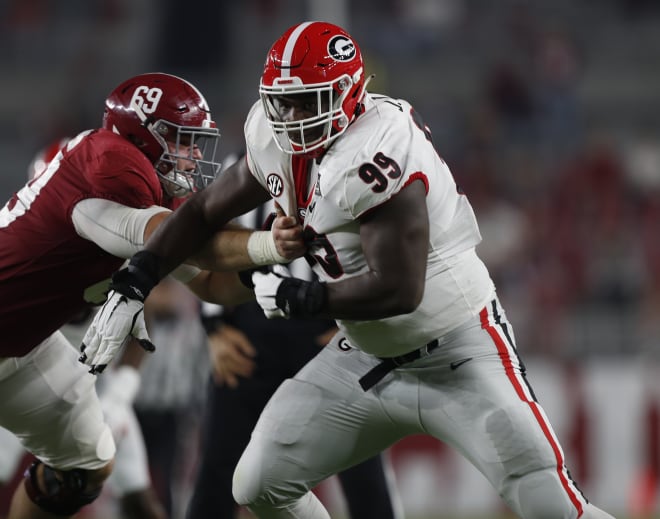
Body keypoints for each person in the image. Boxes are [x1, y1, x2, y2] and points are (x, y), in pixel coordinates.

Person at [81, 23, 616, 519]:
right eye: (281, 103)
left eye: (303, 103)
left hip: (458, 350)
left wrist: (305, 299)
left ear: (348, 94)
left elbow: (400, 288)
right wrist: (139, 279)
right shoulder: (274, 137)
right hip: (367, 356)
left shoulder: (381, 148)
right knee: (258, 483)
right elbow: (201, 213)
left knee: (546, 499)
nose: (289, 118)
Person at [0, 72, 303, 519]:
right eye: (184, 141)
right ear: (147, 137)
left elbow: (208, 282)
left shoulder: (151, 189)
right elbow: (171, 239)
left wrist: (271, 267)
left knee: (84, 469)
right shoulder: (109, 166)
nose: (196, 155)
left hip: (27, 341)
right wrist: (267, 243)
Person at [185, 191, 402, 519]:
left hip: (324, 326)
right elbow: (211, 248)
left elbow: (371, 246)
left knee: (362, 467)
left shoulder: (343, 166)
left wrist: (358, 322)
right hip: (248, 335)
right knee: (219, 464)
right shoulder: (238, 171)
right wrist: (214, 329)